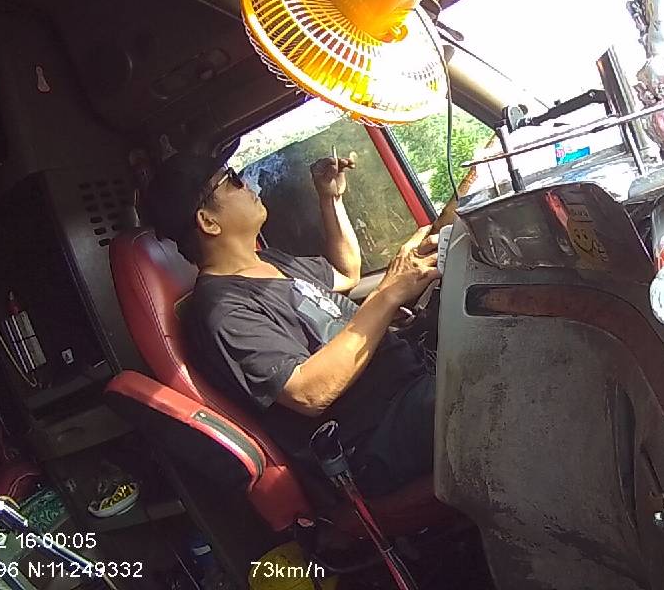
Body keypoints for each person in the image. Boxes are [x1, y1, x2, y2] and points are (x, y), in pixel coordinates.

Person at [141, 149, 441, 496]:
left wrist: (330, 199)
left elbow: (346, 272)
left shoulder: (269, 262)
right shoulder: (222, 310)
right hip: (375, 439)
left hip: (408, 388)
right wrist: (387, 295)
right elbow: (308, 393)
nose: (247, 183)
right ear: (208, 221)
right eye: (233, 180)